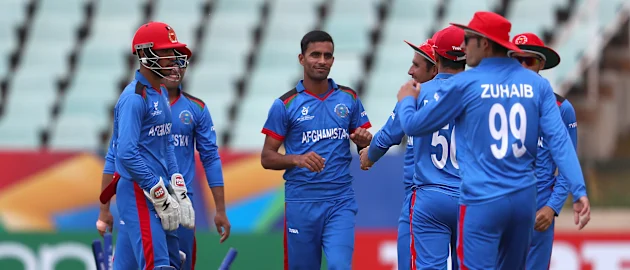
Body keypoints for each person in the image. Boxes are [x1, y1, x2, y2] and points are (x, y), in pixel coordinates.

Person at [395, 12, 591, 269]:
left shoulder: (467, 83)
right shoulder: (536, 84)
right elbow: (560, 143)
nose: (463, 47)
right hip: (523, 201)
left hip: (482, 199)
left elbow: (414, 126)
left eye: (468, 39)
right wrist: (579, 191)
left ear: (484, 43)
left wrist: (407, 100)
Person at [260, 30, 372, 270]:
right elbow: (267, 157)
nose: (322, 61)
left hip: (339, 201)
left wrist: (364, 141)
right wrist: (298, 160)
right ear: (302, 59)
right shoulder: (285, 104)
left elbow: (364, 148)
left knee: (340, 266)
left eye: (328, 56)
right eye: (315, 55)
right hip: (301, 202)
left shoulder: (348, 98)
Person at [99, 21, 196, 270]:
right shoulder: (134, 98)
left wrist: (178, 186)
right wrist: (156, 188)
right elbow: (126, 153)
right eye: (165, 52)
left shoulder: (161, 93)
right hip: (138, 191)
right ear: (144, 54)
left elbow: (166, 146)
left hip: (161, 191)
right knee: (158, 265)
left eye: (173, 52)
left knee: (173, 263)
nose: (172, 58)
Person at [358, 38, 437, 270]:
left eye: (417, 65)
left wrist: (369, 155)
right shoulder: (467, 93)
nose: (410, 71)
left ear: (435, 68)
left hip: (423, 198)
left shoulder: (416, 93)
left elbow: (388, 135)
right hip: (465, 199)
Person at [508, 32, 580, 270]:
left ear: (540, 64)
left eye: (527, 61)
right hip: (498, 208)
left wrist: (552, 207)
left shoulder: (562, 109)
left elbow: (569, 164)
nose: (520, 67)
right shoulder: (492, 101)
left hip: (539, 213)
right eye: (514, 60)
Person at [163, 62, 232, 270]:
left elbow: (210, 157)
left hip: (182, 202)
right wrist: (106, 208)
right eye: (169, 63)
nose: (176, 69)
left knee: (180, 265)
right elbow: (120, 154)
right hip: (145, 198)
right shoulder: (139, 103)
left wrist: (220, 209)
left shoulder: (196, 108)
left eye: (181, 64)